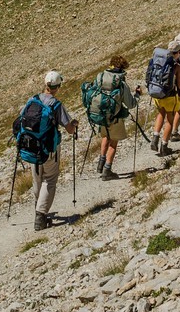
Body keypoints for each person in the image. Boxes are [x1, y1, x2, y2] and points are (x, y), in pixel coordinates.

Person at [13, 72, 79, 231]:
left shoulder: (32, 100)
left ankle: (38, 207)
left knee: (37, 179)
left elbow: (20, 120)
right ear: (58, 87)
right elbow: (69, 129)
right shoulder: (56, 105)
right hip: (49, 149)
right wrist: (75, 124)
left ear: (45, 84)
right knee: (49, 179)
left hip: (31, 147)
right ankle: (40, 216)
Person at [84, 53, 139, 180]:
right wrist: (137, 95)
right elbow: (130, 104)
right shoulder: (120, 83)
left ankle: (100, 164)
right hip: (115, 117)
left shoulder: (100, 77)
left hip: (101, 115)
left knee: (105, 136)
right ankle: (107, 171)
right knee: (113, 142)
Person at [146, 41, 180, 156]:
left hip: (157, 93)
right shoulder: (176, 66)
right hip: (170, 96)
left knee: (161, 114)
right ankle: (164, 146)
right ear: (177, 53)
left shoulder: (158, 62)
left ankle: (155, 138)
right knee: (170, 119)